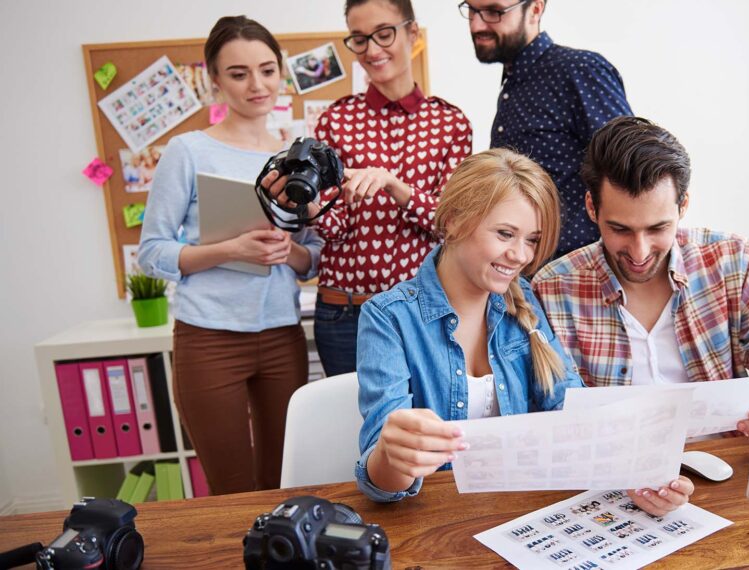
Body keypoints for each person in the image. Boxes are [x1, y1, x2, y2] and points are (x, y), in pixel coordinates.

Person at [354, 149, 694, 516]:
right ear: (452, 221)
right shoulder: (387, 318)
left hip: (513, 514)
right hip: (432, 521)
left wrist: (641, 471)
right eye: (505, 234)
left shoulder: (524, 300)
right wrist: (394, 455)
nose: (520, 256)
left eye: (532, 240)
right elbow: (381, 486)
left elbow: (570, 410)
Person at [138, 16, 323, 494]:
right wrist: (229, 250)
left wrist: (290, 253)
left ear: (281, 72)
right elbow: (152, 253)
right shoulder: (189, 150)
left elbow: (314, 257)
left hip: (283, 335)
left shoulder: (296, 154)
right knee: (232, 490)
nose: (256, 85)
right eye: (238, 74)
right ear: (215, 80)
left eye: (266, 69)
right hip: (209, 339)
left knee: (285, 483)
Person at [532, 117, 749, 441]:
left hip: (724, 472)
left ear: (684, 206)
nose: (639, 253)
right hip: (612, 478)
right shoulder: (553, 289)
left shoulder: (736, 263)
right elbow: (548, 419)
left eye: (657, 228)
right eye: (620, 229)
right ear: (591, 208)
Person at [263, 0, 473, 377]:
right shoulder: (334, 121)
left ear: (412, 33)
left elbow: (453, 224)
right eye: (359, 39)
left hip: (422, 310)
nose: (373, 50)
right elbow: (336, 227)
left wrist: (395, 185)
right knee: (355, 433)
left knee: (427, 428)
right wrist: (305, 204)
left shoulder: (451, 123)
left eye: (384, 33)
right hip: (346, 314)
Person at [460, 0, 632, 258]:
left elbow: (631, 169)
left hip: (579, 276)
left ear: (536, 9)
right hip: (526, 271)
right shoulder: (513, 84)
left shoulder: (579, 70)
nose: (476, 24)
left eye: (494, 12)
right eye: (472, 10)